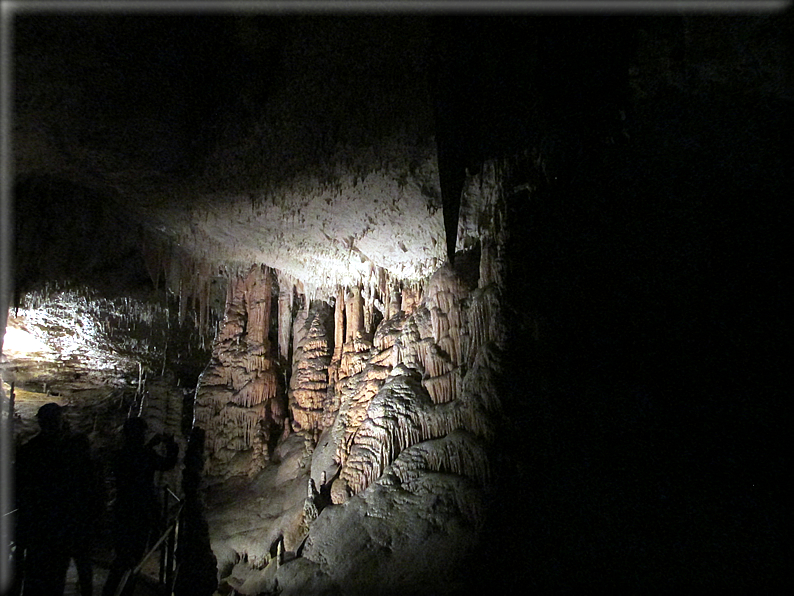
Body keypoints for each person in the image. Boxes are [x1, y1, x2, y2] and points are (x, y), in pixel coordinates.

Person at [15, 402, 96, 596]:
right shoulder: (69, 451)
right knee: (54, 577)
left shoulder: (29, 451)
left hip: (39, 525)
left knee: (36, 575)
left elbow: (19, 489)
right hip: (60, 525)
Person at [102, 417, 178, 596]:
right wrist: (171, 445)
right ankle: (122, 591)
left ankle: (110, 591)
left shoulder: (119, 455)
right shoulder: (145, 455)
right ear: (138, 434)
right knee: (133, 559)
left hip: (122, 510)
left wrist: (149, 446)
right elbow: (167, 463)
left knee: (121, 557)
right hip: (140, 512)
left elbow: (133, 459)